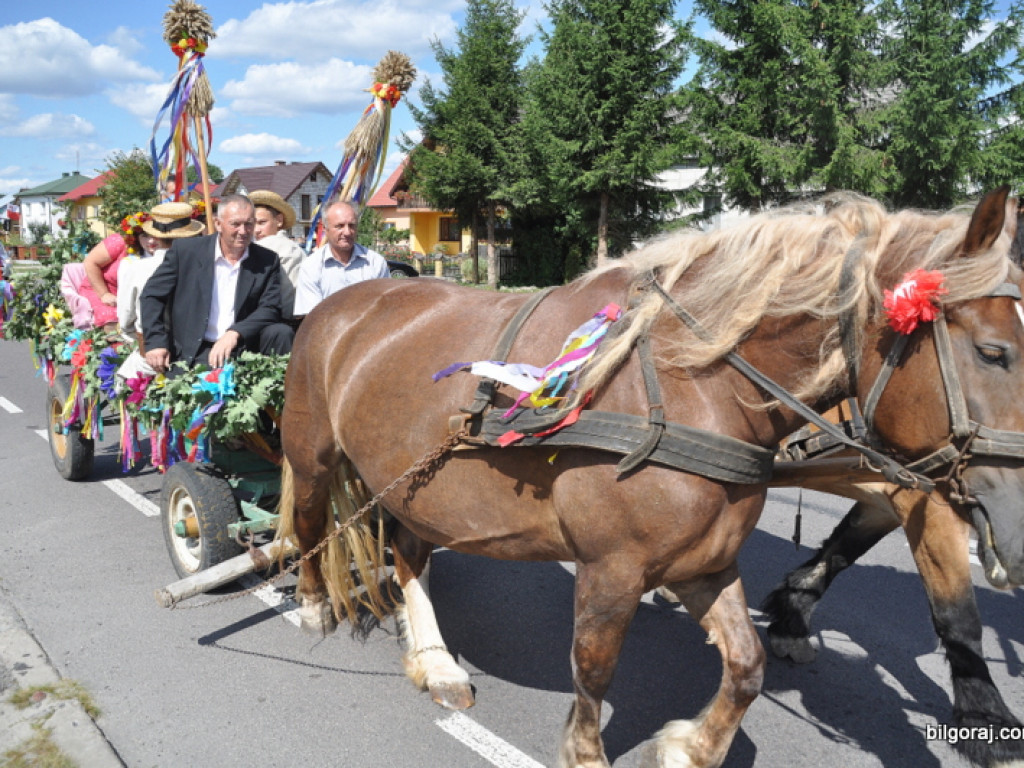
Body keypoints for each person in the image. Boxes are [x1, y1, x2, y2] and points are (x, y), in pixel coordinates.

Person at [140, 194, 293, 372]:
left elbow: (270, 308)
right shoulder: (186, 252)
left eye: (249, 223)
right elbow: (152, 295)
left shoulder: (267, 259)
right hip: (197, 348)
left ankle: (283, 390)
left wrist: (235, 333)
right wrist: (156, 342)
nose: (243, 231)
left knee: (281, 332)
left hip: (244, 346)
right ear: (218, 224)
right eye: (235, 224)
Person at [80, 206, 198, 332]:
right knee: (112, 321)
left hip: (136, 298)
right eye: (144, 236)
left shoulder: (178, 255)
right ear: (135, 237)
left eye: (155, 236)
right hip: (103, 290)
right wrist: (104, 294)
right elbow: (90, 262)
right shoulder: (120, 243)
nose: (151, 241)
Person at [116, 202, 204, 341]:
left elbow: (125, 320)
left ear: (156, 236)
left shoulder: (137, 269)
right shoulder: (205, 265)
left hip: (149, 349)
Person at [293, 200, 389, 316]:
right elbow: (313, 318)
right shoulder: (311, 267)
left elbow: (386, 308)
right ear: (325, 229)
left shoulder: (375, 263)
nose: (347, 232)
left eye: (352, 225)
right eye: (340, 226)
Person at [249, 189, 306, 322]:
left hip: (276, 320)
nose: (256, 230)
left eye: (262, 223)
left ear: (279, 220)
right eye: (252, 223)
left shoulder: (274, 246)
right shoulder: (295, 248)